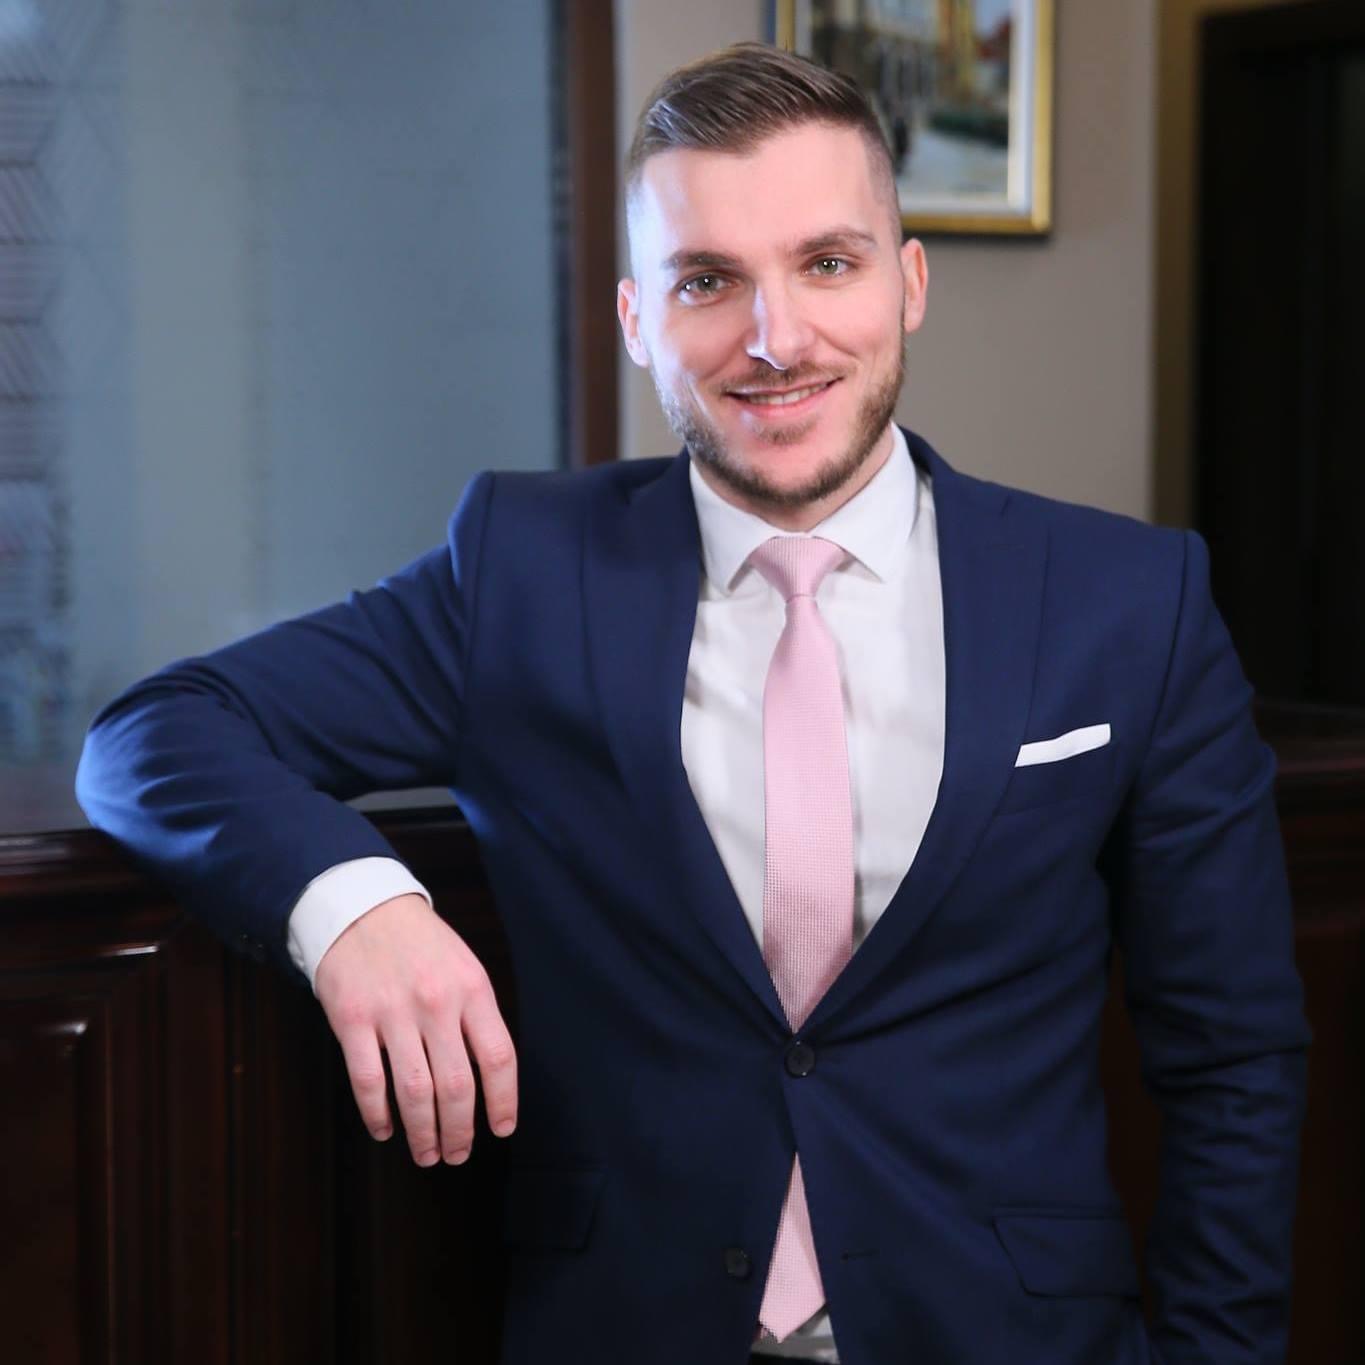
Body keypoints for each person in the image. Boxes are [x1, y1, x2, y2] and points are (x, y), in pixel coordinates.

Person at [75, 42, 1309, 1365]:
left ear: (907, 282)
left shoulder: (1128, 599)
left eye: (826, 263)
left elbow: (1233, 1054)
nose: (775, 339)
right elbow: (155, 733)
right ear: (634, 319)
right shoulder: (523, 571)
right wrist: (353, 908)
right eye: (707, 281)